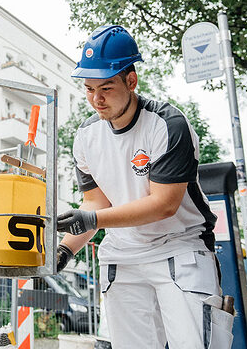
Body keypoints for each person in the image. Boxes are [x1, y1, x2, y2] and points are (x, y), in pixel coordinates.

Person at [55, 26, 232, 348]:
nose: (97, 99)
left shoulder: (167, 124)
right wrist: (64, 250)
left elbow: (164, 203)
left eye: (106, 87)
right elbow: (96, 203)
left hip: (179, 249)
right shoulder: (86, 137)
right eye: (89, 89)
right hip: (123, 257)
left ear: (131, 81)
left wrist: (93, 220)